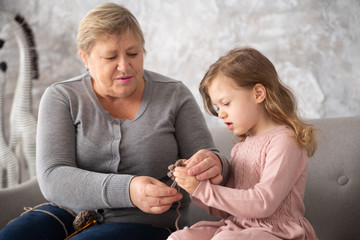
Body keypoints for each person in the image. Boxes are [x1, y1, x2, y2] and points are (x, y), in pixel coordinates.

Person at [0, 3, 230, 240]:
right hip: (68, 213)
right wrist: (129, 190)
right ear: (85, 58)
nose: (125, 66)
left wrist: (215, 164)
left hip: (147, 224)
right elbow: (52, 177)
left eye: (133, 53)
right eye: (111, 56)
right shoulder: (62, 97)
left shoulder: (174, 95)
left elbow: (212, 160)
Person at [168, 47, 318, 240]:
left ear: (258, 93)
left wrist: (203, 190)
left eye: (226, 103)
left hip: (278, 232)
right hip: (237, 228)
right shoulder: (240, 148)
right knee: (179, 238)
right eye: (217, 107)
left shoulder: (284, 141)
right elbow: (227, 210)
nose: (220, 114)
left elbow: (264, 202)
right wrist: (194, 185)